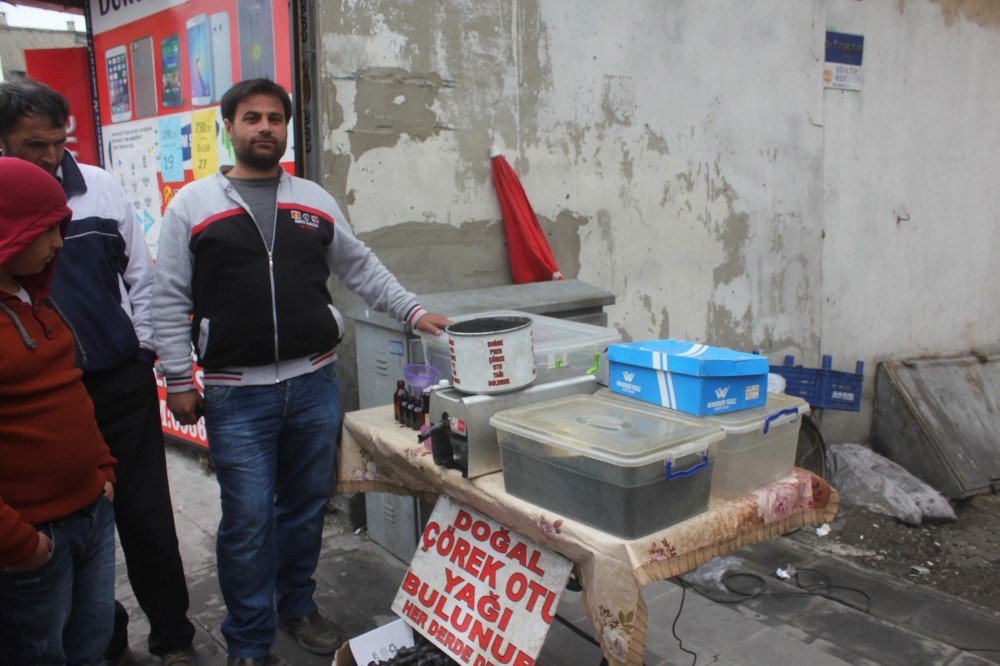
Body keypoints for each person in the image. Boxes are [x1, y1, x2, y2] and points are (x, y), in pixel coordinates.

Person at [153, 78, 450, 665]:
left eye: (275, 119)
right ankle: (248, 641)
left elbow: (360, 267)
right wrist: (178, 379)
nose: (265, 127)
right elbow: (167, 297)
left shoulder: (313, 199)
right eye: (251, 118)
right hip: (236, 395)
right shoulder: (193, 205)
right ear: (230, 128)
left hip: (314, 384)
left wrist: (412, 310)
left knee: (305, 509)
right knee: (247, 520)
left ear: (285, 129)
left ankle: (297, 605)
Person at [0, 79, 196, 664]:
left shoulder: (101, 189)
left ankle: (174, 637)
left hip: (115, 384)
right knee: (68, 536)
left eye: (59, 142)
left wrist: (140, 352)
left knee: (146, 518)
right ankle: (103, 641)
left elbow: (142, 277)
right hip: (32, 399)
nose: (52, 157)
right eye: (35, 145)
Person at [0, 157, 117, 664]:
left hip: (91, 514)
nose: (57, 244)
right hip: (32, 542)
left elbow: (71, 393)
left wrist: (103, 469)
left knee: (91, 646)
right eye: (46, 229)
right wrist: (18, 543)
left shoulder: (35, 300)